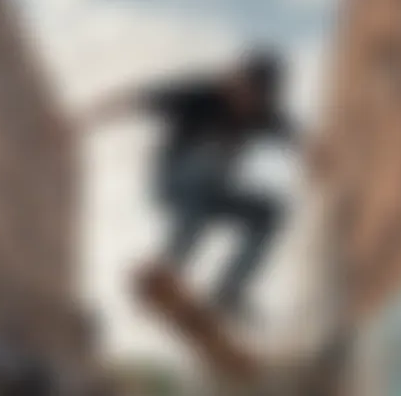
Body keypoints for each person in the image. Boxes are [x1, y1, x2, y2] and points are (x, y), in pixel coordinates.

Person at [79, 50, 316, 322]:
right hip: (174, 182)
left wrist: (321, 160)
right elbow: (135, 100)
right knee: (211, 158)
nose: (245, 106)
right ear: (235, 82)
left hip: (211, 197)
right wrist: (82, 121)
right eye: (243, 94)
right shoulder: (198, 95)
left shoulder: (265, 116)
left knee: (270, 212)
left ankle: (229, 291)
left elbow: (300, 140)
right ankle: (169, 265)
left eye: (254, 101)